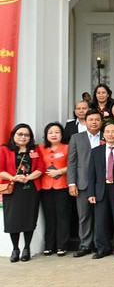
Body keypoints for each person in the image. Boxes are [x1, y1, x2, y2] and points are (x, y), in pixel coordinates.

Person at [1, 123, 44, 263]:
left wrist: (28, 178)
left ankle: (27, 248)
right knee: (12, 220)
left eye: (26, 135)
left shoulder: (35, 150)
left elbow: (40, 168)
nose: (23, 137)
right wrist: (13, 177)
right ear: (13, 135)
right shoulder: (4, 150)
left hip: (30, 190)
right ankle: (15, 249)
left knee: (29, 219)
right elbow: (0, 170)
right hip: (12, 189)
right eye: (20, 134)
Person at [86, 122, 114, 259]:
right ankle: (102, 248)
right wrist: (91, 193)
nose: (110, 134)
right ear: (103, 135)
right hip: (100, 190)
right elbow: (91, 174)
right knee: (100, 220)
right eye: (107, 132)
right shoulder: (96, 151)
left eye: (113, 131)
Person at [67, 108, 104, 257]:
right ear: (85, 122)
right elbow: (72, 162)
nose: (94, 122)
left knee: (101, 215)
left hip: (102, 183)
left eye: (97, 120)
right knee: (84, 216)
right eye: (91, 120)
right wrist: (71, 183)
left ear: (101, 122)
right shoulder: (76, 137)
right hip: (82, 183)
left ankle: (100, 244)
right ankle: (85, 245)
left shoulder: (107, 135)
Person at [37, 122, 71, 256]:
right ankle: (49, 245)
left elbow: (74, 164)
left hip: (62, 185)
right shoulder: (40, 148)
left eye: (57, 132)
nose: (54, 135)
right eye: (50, 132)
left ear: (62, 134)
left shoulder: (67, 148)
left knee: (62, 216)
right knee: (49, 216)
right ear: (46, 135)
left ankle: (62, 245)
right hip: (45, 186)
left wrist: (61, 171)